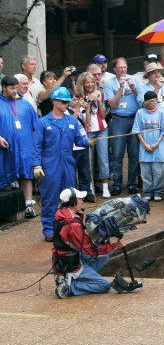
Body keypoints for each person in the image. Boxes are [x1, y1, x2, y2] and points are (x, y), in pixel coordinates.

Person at [51, 187, 125, 298]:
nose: (82, 201)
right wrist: (114, 246)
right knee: (104, 285)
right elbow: (90, 249)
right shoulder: (72, 224)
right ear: (71, 202)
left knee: (103, 256)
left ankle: (67, 277)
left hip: (62, 259)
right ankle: (68, 286)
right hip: (70, 264)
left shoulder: (61, 213)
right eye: (79, 199)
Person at [36, 87, 89, 242]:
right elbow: (36, 146)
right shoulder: (43, 122)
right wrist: (36, 165)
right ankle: (49, 229)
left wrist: (88, 141)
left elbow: (80, 140)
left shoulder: (72, 121)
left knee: (70, 196)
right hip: (50, 163)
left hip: (67, 161)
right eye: (63, 101)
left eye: (67, 101)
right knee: (50, 197)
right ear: (54, 101)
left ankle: (69, 226)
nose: (66, 104)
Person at [0, 75, 41, 218]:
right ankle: (5, 210)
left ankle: (29, 205)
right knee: (4, 176)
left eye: (16, 88)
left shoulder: (24, 103)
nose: (15, 91)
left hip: (24, 147)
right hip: (4, 149)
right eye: (11, 88)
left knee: (26, 174)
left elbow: (36, 125)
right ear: (4, 87)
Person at [104, 58, 140, 195]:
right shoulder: (109, 83)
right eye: (120, 68)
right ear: (115, 69)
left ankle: (132, 184)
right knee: (117, 154)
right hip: (119, 119)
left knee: (134, 153)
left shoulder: (134, 79)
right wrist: (120, 88)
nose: (123, 70)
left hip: (134, 117)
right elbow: (112, 104)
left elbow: (142, 97)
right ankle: (117, 185)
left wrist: (133, 88)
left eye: (125, 67)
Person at [74, 71, 111, 199]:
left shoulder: (99, 93)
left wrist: (99, 101)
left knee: (103, 158)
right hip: (88, 130)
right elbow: (87, 121)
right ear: (82, 84)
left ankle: (105, 186)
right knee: (88, 159)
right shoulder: (79, 98)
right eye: (87, 82)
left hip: (102, 128)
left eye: (91, 82)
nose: (90, 84)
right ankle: (90, 187)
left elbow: (103, 115)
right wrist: (88, 104)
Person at [132, 90, 164, 202]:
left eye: (156, 100)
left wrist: (157, 143)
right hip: (144, 147)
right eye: (152, 100)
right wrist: (144, 144)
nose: (155, 102)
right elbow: (137, 130)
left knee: (158, 172)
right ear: (147, 102)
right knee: (146, 172)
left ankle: (158, 191)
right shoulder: (140, 113)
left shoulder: (161, 112)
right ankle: (148, 192)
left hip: (158, 147)